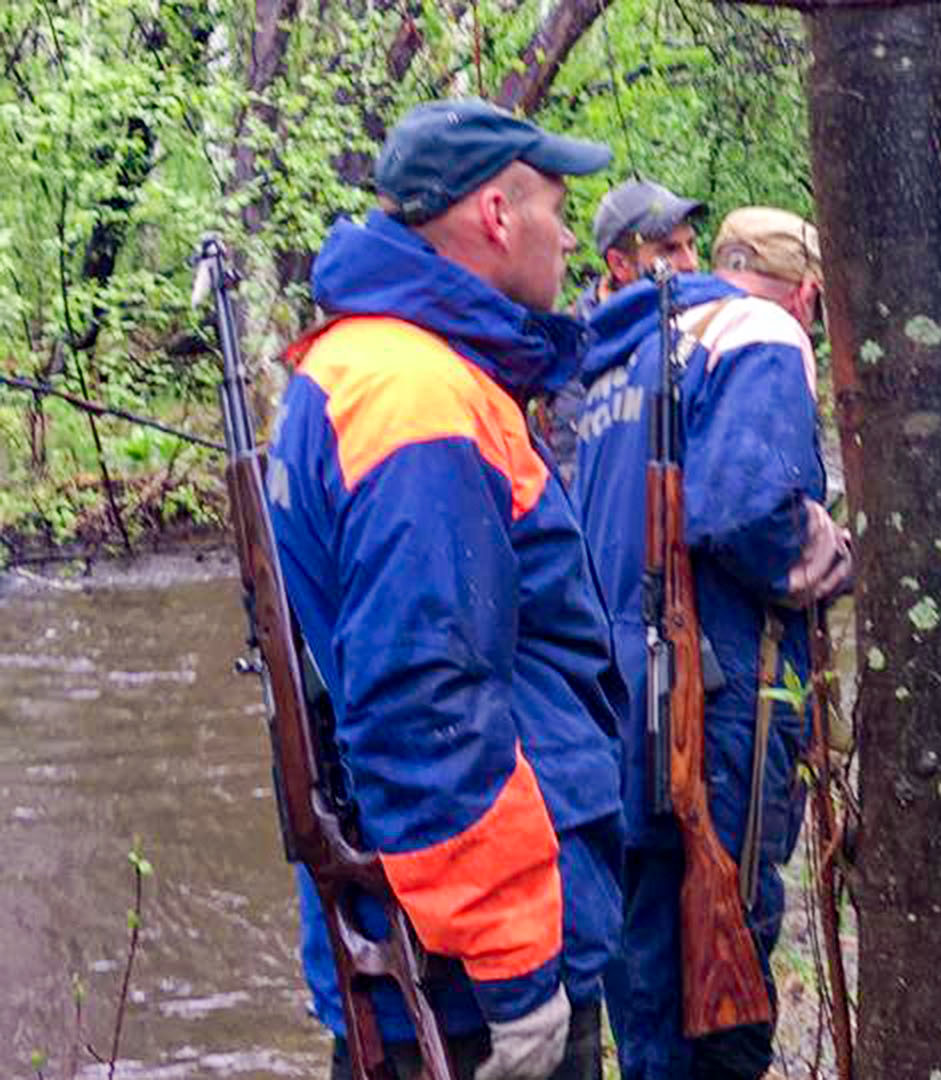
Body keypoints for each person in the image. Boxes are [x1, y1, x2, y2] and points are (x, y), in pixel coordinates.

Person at [266, 99, 627, 1080]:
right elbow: (428, 705)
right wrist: (517, 972)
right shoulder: (417, 396)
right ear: (497, 217)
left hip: (424, 939)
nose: (568, 237)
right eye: (556, 208)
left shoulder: (371, 366)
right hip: (467, 971)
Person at [571, 206, 846, 1080]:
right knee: (719, 993)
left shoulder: (622, 351)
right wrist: (831, 558)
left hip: (615, 703)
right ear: (805, 293)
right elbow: (751, 511)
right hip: (718, 695)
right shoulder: (760, 332)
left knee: (646, 971)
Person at [543, 178, 707, 487]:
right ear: (619, 264)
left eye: (691, 244)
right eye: (670, 250)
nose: (691, 263)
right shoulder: (571, 349)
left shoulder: (696, 325)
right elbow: (571, 473)